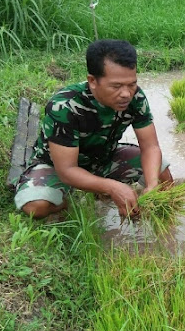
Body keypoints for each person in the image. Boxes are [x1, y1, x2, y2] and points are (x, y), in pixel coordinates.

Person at [14, 39, 172, 219]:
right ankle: (68, 200)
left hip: (104, 158)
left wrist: (151, 185)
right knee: (36, 207)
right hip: (58, 166)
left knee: (162, 174)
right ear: (92, 81)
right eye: (116, 86)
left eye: (131, 84)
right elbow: (67, 170)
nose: (126, 93)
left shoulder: (136, 98)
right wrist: (112, 187)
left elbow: (150, 147)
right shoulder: (65, 106)